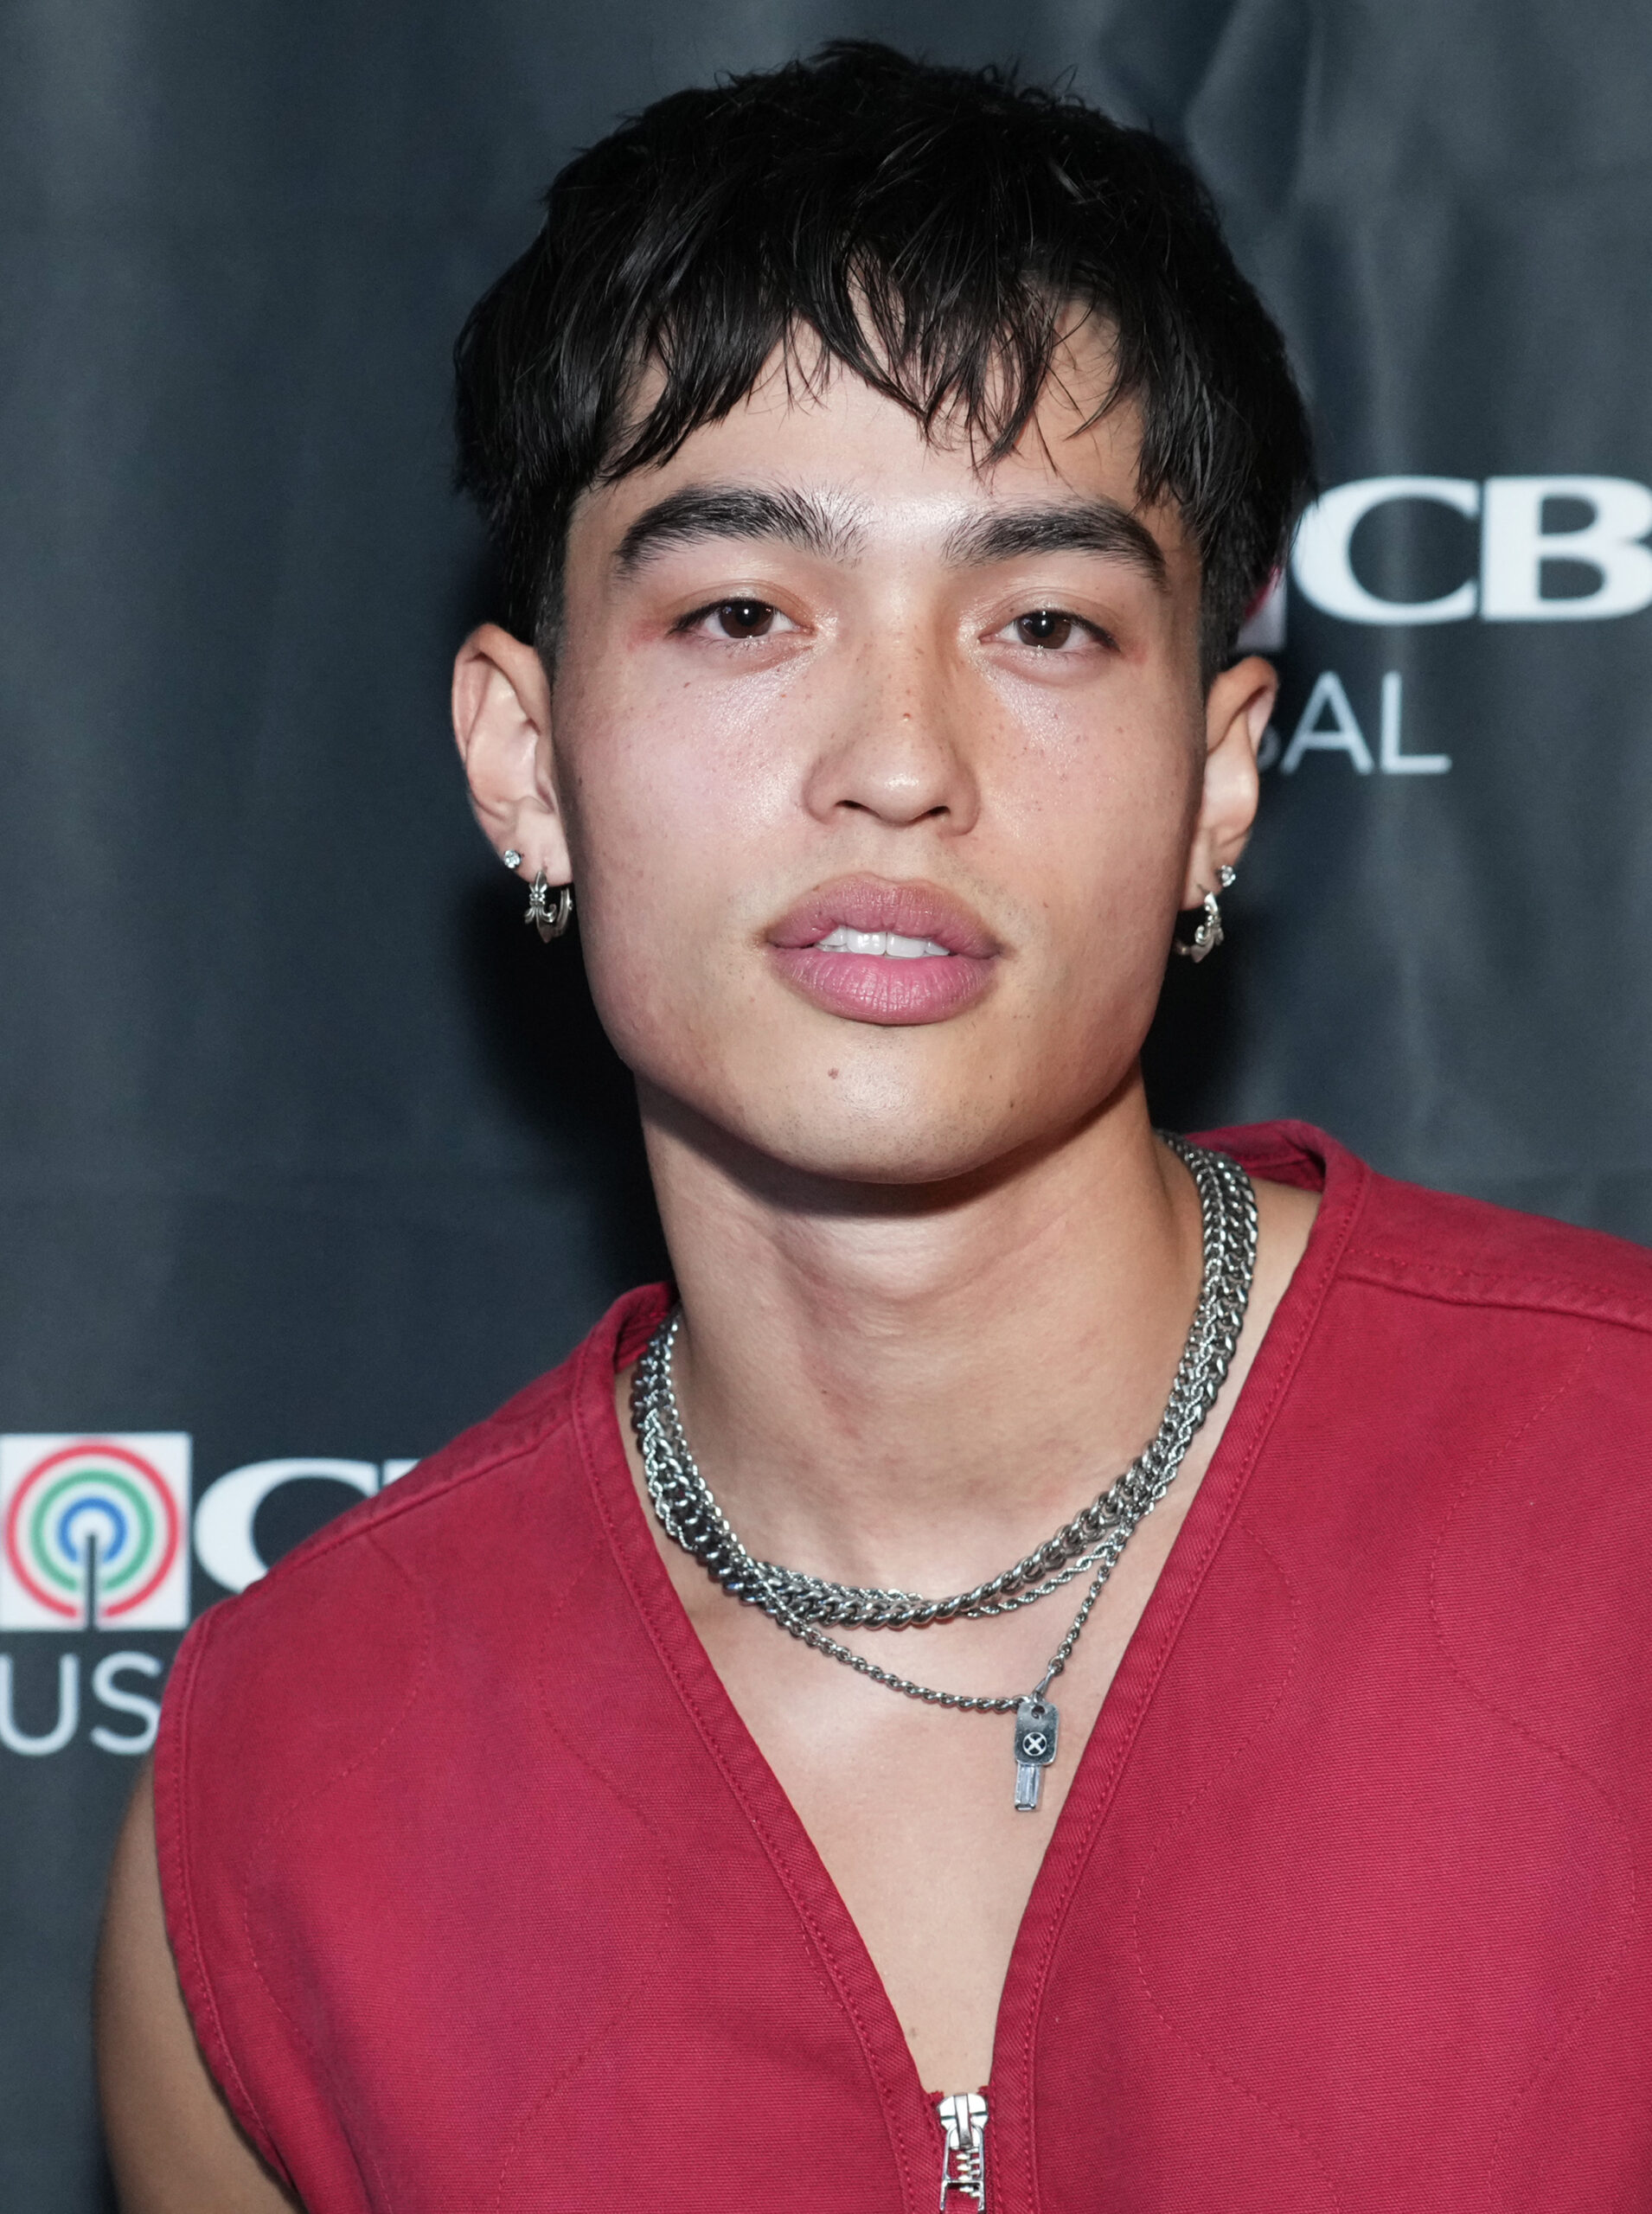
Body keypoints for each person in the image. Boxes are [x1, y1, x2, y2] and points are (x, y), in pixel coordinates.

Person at [95, 42, 1652, 2214]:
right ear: (526, 759)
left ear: (1218, 779)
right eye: (741, 611)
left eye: (1045, 623)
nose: (899, 757)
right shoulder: (285, 1788)